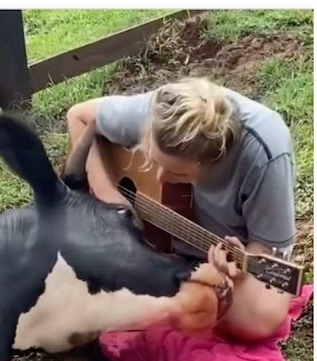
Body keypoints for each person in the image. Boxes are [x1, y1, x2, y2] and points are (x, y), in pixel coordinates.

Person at [66, 77, 298, 342]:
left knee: (257, 320)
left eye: (178, 173)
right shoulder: (158, 115)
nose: (161, 176)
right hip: (163, 242)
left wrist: (239, 270)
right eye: (152, 159)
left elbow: (266, 248)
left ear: (211, 161)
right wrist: (108, 194)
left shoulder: (266, 155)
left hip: (228, 247)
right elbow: (79, 117)